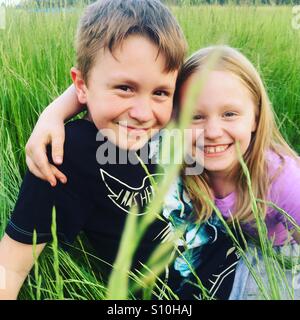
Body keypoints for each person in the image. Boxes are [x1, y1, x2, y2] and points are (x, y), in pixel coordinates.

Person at [0, 0, 187, 299]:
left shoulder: (176, 123)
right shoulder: (67, 154)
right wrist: (56, 112)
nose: (143, 112)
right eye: (125, 88)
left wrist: (57, 108)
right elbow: (10, 267)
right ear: (82, 86)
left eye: (160, 92)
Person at [172, 45, 300, 299]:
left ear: (255, 117)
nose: (213, 131)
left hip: (283, 256)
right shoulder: (183, 160)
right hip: (233, 249)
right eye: (196, 117)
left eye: (229, 114)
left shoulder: (280, 178)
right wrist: (66, 111)